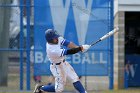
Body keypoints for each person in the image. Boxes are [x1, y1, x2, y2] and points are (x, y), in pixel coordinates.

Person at [33, 29, 90, 93]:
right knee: (59, 89)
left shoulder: (57, 39)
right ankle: (40, 88)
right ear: (50, 40)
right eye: (54, 38)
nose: (57, 38)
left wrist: (78, 48)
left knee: (75, 78)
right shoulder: (51, 49)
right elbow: (69, 52)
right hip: (57, 67)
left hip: (64, 63)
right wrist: (80, 48)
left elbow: (68, 43)